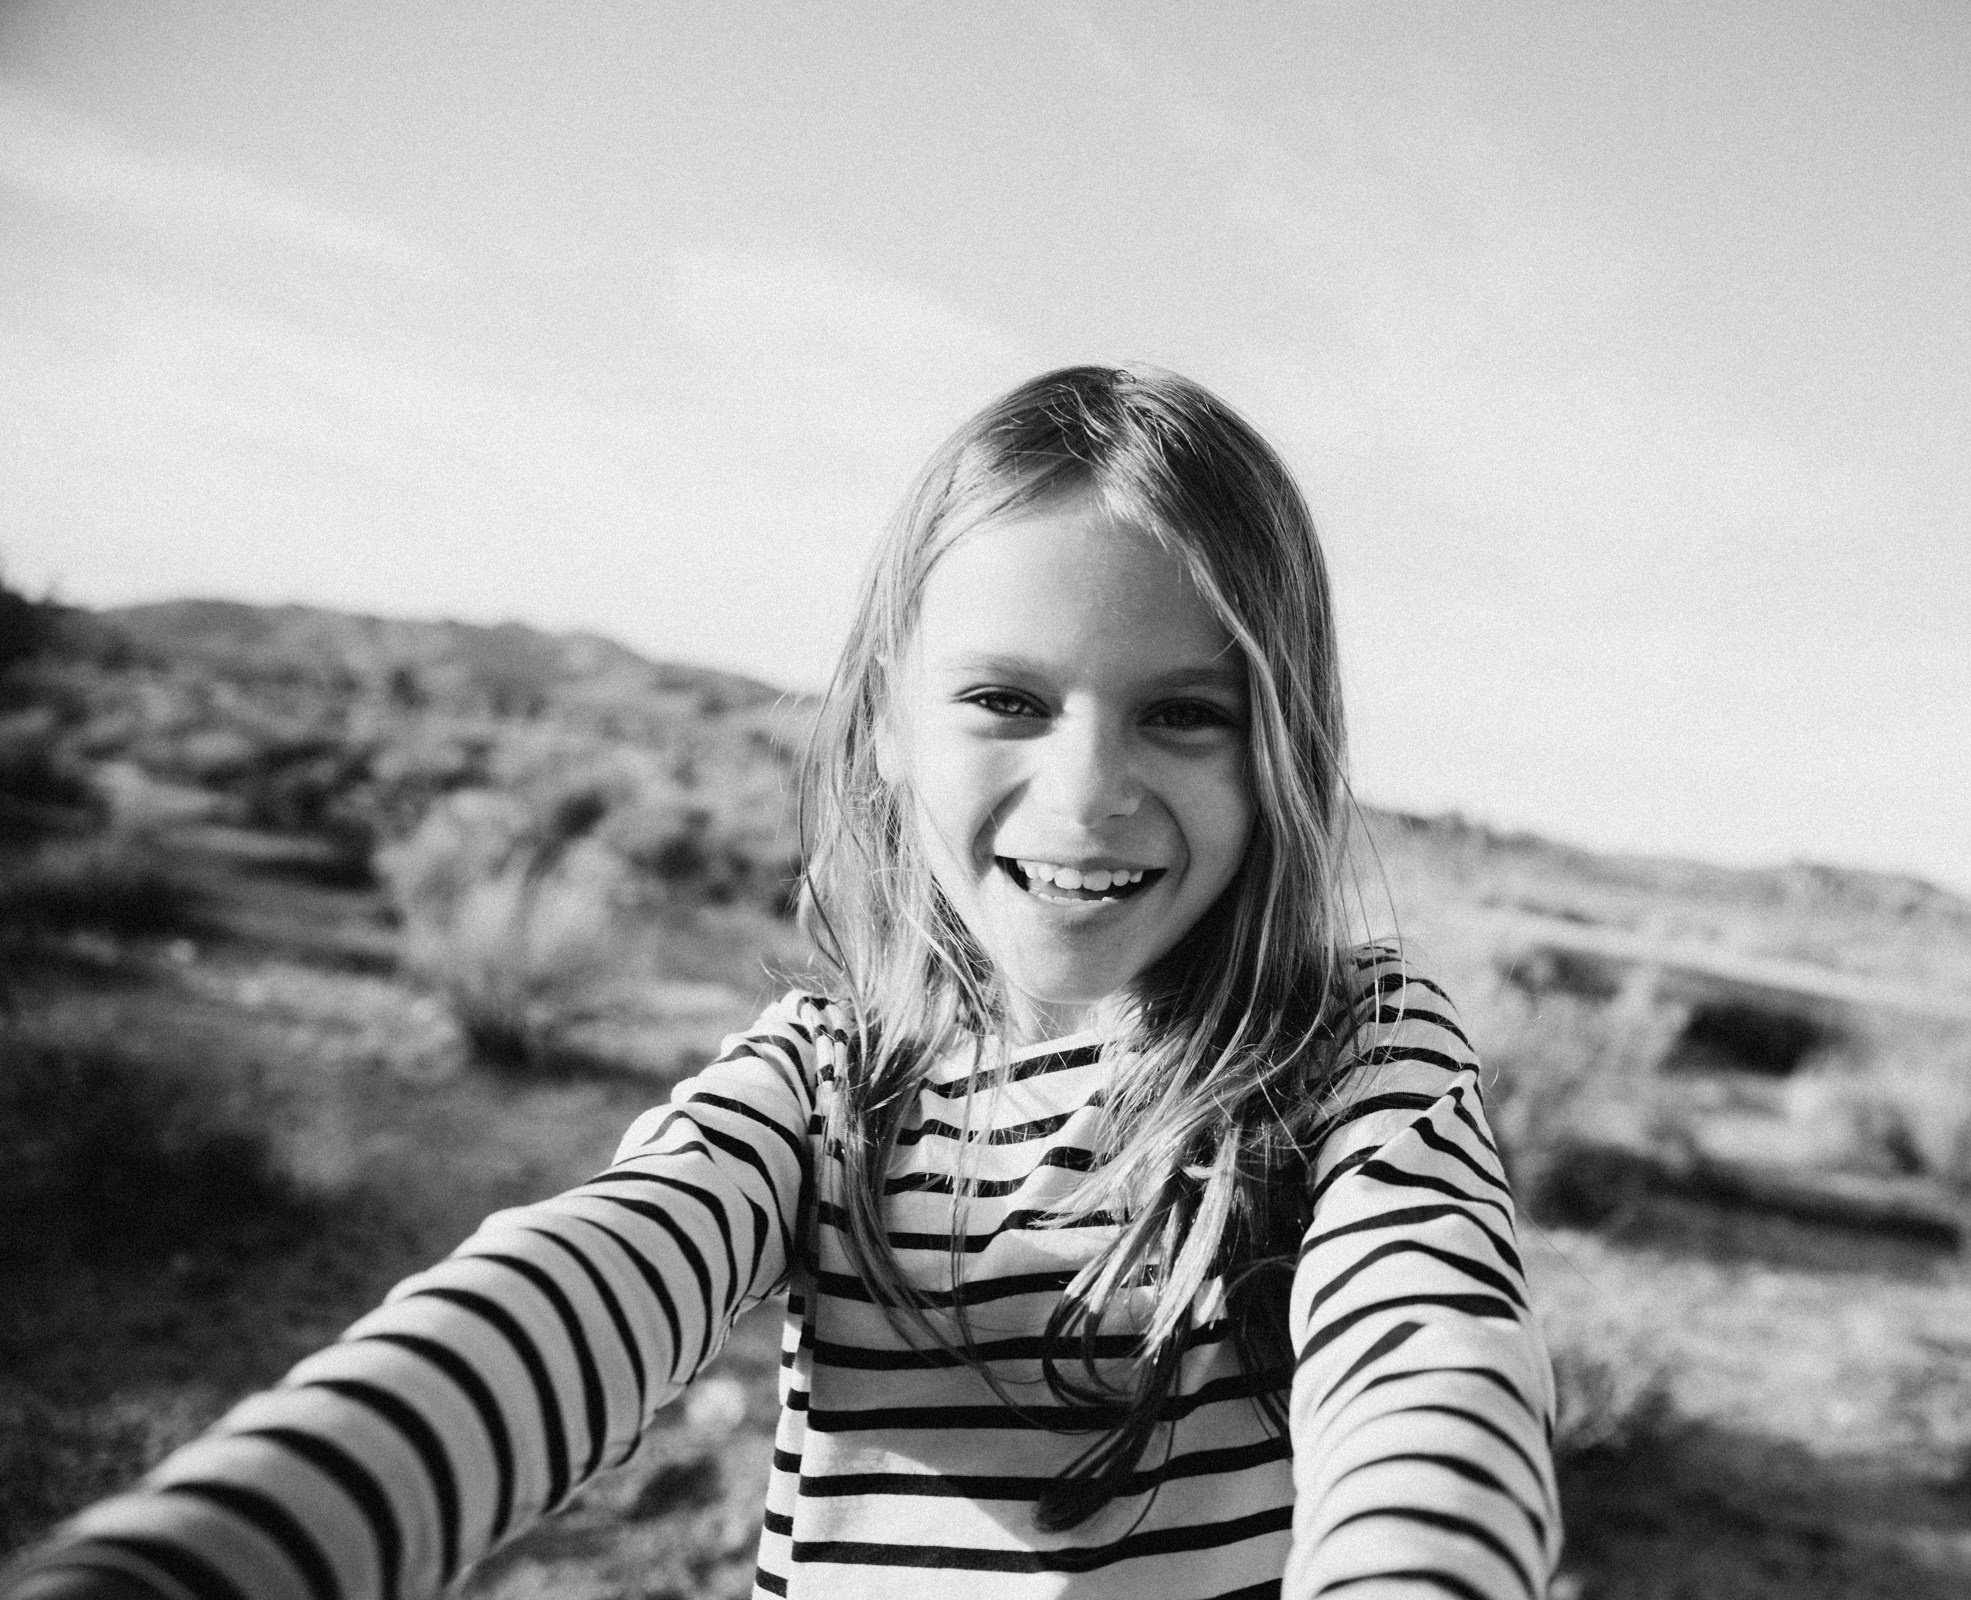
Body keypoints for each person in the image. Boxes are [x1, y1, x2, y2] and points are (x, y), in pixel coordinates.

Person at [5, 365, 1558, 1600]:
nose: (1088, 796)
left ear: (1287, 739)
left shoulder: (1355, 1055)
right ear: (887, 723)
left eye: (1184, 716)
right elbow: (575, 1292)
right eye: (1008, 699)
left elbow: (1431, 1368)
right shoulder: (822, 1084)